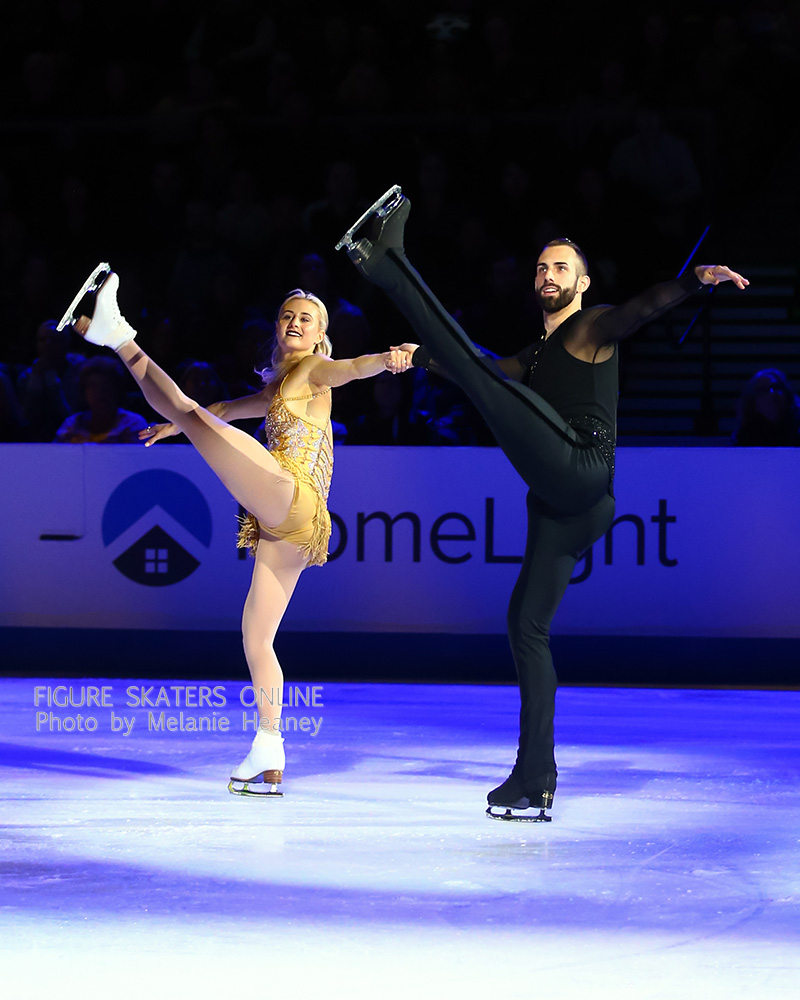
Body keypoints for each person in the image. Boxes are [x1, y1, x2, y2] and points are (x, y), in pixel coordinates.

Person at [336, 185, 749, 822]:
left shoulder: (590, 326)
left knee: (480, 381)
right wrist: (425, 358)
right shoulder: (536, 354)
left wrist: (693, 281)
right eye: (540, 267)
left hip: (582, 466)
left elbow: (638, 311)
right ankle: (535, 776)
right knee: (525, 626)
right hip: (564, 507)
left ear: (582, 283)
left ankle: (387, 260)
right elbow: (491, 369)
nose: (547, 274)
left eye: (560, 267)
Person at [58, 263, 412, 796]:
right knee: (256, 636)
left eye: (307, 318)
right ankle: (269, 746)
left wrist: (387, 359)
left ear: (321, 334)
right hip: (290, 529)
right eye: (287, 315)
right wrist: (177, 427)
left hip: (292, 495)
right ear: (276, 327)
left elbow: (354, 368)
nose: (295, 322)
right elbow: (223, 409)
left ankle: (120, 335)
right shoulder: (279, 387)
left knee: (188, 409)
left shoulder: (316, 369)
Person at [54, 355, 148, 443]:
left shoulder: (133, 424)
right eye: (93, 386)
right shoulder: (71, 426)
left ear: (117, 390)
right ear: (84, 391)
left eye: (105, 386)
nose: (99, 392)